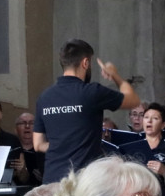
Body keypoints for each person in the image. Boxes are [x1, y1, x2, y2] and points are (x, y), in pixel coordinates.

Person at [33, 39, 140, 183]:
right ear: (85, 63)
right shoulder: (92, 92)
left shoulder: (44, 98)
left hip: (52, 180)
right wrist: (114, 75)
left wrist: (63, 145)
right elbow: (133, 100)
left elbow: (38, 144)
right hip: (84, 181)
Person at [15, 112, 44, 186]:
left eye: (32, 123)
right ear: (15, 129)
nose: (27, 126)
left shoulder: (44, 151)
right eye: (22, 123)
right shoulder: (11, 151)